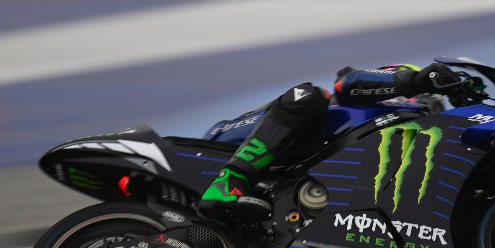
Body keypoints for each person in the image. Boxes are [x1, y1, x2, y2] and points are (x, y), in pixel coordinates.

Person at [198, 62, 462, 217]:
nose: (431, 111)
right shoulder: (376, 96)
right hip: (233, 139)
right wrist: (415, 81)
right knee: (308, 95)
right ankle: (228, 182)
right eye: (428, 104)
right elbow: (346, 81)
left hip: (290, 180)